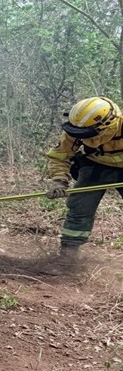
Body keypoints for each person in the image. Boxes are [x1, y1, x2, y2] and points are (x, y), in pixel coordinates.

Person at [45, 96, 123, 260]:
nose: (85, 138)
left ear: (109, 125)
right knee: (80, 207)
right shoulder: (78, 128)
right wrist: (59, 181)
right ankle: (68, 254)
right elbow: (60, 155)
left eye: (89, 134)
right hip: (95, 167)